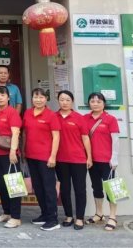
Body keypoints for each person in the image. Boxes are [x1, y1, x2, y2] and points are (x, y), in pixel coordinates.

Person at [22, 88, 61, 231]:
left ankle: (53, 219)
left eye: (41, 97)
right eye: (35, 97)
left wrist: (53, 156)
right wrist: (23, 151)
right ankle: (44, 214)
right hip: (31, 155)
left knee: (48, 187)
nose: (38, 100)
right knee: (37, 187)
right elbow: (25, 133)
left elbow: (56, 137)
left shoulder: (51, 115)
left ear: (46, 99)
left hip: (46, 157)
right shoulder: (28, 113)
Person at [55, 90, 92, 231]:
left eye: (67, 100)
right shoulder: (54, 117)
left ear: (72, 102)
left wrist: (89, 156)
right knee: (64, 189)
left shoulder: (79, 118)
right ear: (58, 101)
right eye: (62, 99)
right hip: (60, 159)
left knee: (79, 189)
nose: (64, 102)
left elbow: (85, 138)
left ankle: (80, 218)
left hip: (78, 159)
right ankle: (69, 216)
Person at [84, 92, 120, 231]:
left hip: (107, 161)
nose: (95, 104)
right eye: (92, 101)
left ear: (104, 103)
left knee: (110, 188)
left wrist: (114, 158)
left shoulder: (110, 119)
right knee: (96, 187)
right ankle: (99, 213)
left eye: (99, 101)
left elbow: (115, 140)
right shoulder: (85, 118)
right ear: (89, 103)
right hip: (92, 160)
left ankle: (113, 216)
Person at [0, 86, 23, 228]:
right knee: (2, 184)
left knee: (14, 185)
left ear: (8, 97)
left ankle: (16, 217)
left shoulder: (12, 112)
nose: (0, 97)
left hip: (9, 154)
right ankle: (7, 212)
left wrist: (13, 151)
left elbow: (15, 133)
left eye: (2, 95)